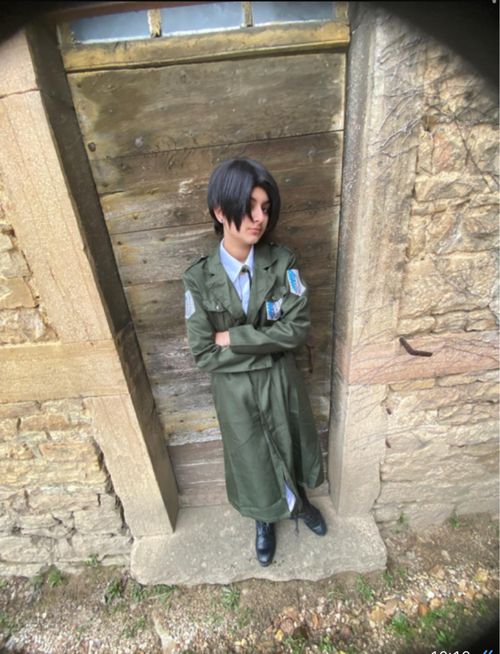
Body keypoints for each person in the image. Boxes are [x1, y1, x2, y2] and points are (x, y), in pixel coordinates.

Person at [183, 157, 326, 567]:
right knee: (251, 456)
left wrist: (234, 337)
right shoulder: (198, 279)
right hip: (235, 392)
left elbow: (296, 331)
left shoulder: (283, 263)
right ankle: (264, 518)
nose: (260, 218)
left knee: (289, 441)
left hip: (281, 384)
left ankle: (299, 503)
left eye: (265, 207)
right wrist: (267, 346)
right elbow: (203, 352)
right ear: (220, 211)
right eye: (249, 208)